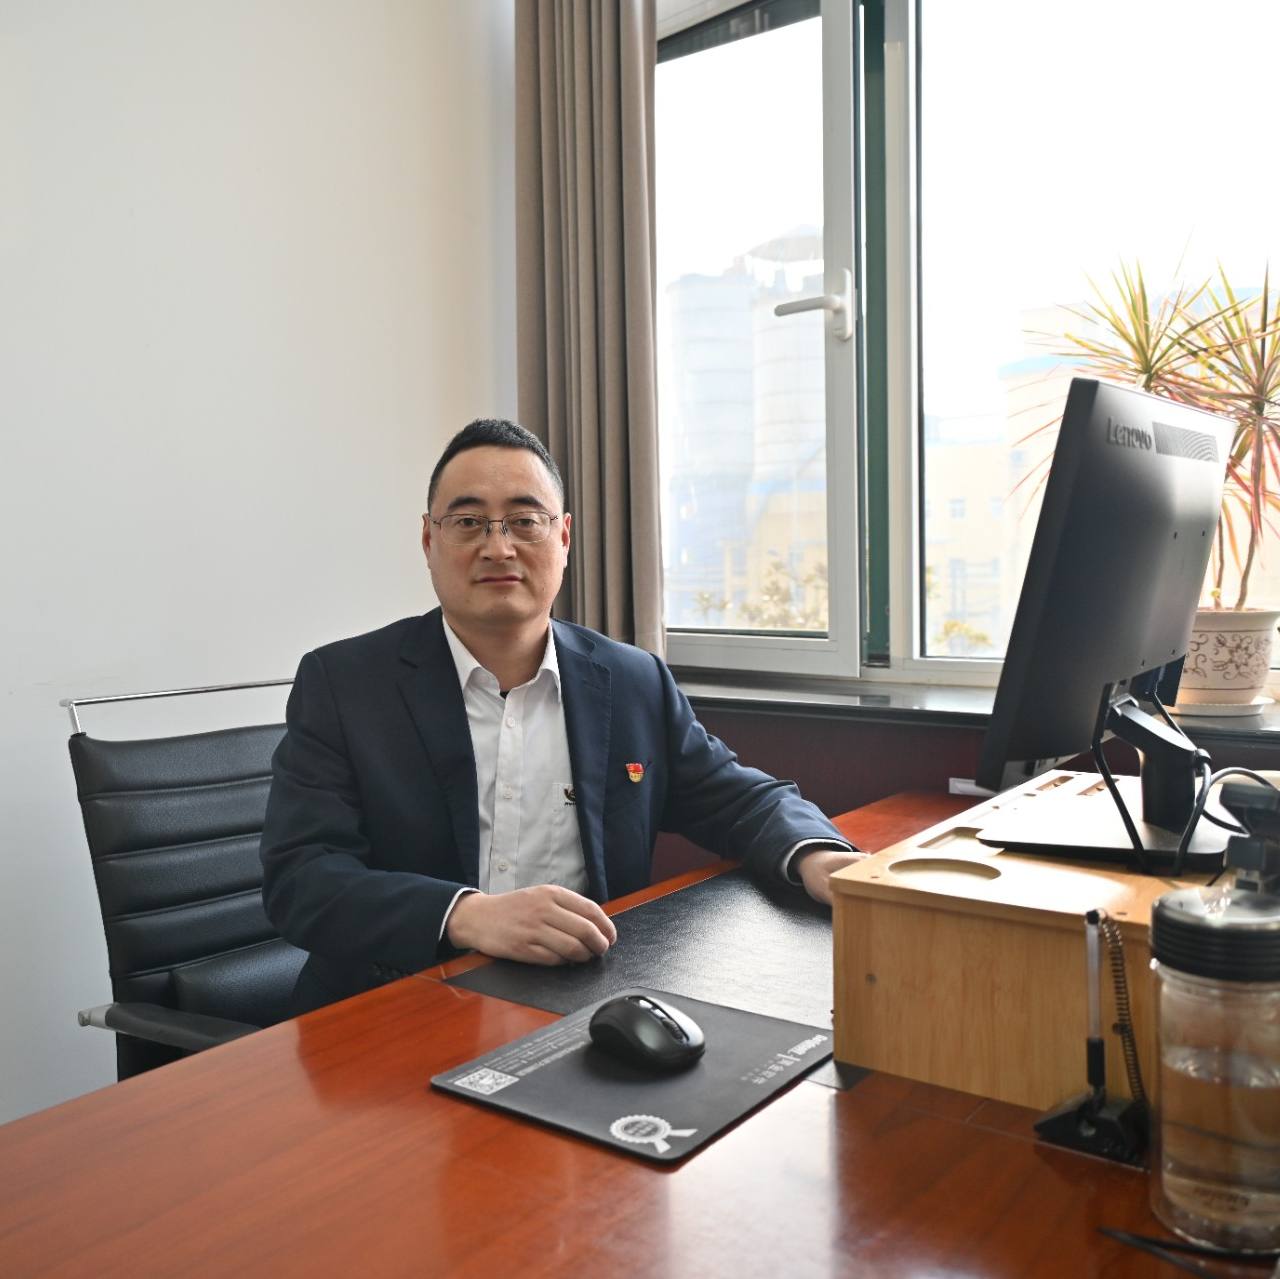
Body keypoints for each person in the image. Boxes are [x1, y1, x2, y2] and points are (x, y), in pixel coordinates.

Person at [261, 419, 860, 1014]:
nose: (499, 548)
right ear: (428, 541)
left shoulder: (632, 681)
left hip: (581, 1000)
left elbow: (740, 799)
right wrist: (467, 915)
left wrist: (818, 856)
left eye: (525, 521)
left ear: (564, 537)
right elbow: (302, 880)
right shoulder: (345, 684)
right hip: (395, 1007)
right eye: (468, 522)